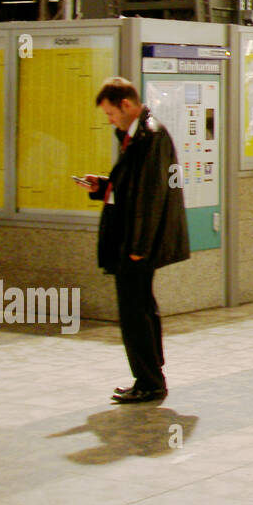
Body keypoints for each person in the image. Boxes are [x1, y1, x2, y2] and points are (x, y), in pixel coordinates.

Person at [77, 77, 190, 404]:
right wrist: (102, 186)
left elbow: (151, 197)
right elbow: (134, 188)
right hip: (134, 241)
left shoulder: (150, 136)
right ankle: (150, 375)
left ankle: (149, 381)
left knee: (134, 311)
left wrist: (139, 248)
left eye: (111, 114)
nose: (110, 120)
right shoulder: (137, 136)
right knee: (140, 308)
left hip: (137, 245)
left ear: (126, 104)